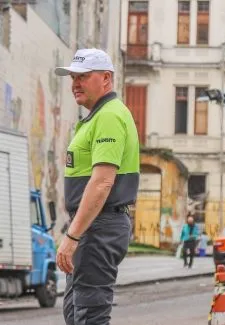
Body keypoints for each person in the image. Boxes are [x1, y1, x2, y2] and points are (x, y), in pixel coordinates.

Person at [54, 48, 140, 325]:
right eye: (72, 77)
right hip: (93, 225)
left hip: (100, 226)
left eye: (83, 76)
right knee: (75, 313)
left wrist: (72, 236)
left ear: (106, 78)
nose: (75, 83)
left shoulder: (109, 116)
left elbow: (102, 182)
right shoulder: (98, 116)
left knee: (90, 315)